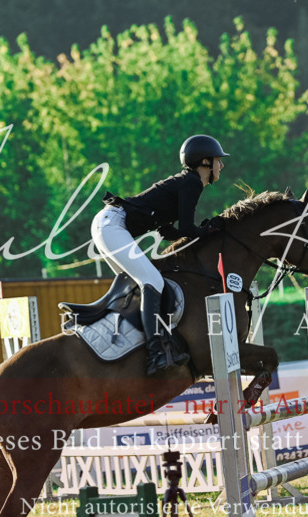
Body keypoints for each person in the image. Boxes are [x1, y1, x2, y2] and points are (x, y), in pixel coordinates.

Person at [92, 134, 228, 375]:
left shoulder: (186, 182)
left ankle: (134, 344)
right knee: (152, 281)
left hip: (108, 222)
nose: (222, 165)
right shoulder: (192, 182)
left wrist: (202, 231)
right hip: (112, 224)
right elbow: (187, 229)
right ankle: (156, 353)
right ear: (205, 162)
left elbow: (168, 230)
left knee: (136, 288)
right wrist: (211, 229)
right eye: (218, 160)